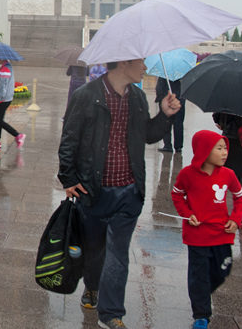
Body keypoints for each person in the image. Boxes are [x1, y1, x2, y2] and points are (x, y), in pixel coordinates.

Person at [59, 58, 180, 329]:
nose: (146, 68)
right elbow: (69, 139)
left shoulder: (137, 96)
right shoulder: (86, 95)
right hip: (94, 189)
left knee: (118, 254)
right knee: (94, 250)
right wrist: (68, 178)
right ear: (124, 62)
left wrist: (165, 115)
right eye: (141, 62)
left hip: (128, 190)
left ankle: (112, 313)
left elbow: (147, 135)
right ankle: (91, 286)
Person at [171, 130, 242, 329]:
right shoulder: (187, 174)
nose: (225, 153)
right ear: (204, 151)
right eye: (219, 149)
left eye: (225, 148)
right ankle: (201, 314)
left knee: (223, 270)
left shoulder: (228, 174)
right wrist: (188, 214)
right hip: (197, 236)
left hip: (222, 234)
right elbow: (177, 194)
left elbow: (240, 196)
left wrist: (235, 219)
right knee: (198, 275)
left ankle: (202, 292)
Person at [0, 60, 25, 150]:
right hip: (6, 98)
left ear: (1, 58)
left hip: (3, 99)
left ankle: (17, 135)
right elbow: (1, 81)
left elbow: (2, 86)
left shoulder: (5, 69)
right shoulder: (6, 67)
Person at [156, 78, 187, 153]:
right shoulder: (182, 75)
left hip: (168, 102)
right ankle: (178, 147)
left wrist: (160, 99)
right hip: (179, 101)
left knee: (166, 124)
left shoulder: (163, 74)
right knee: (178, 125)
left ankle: (168, 145)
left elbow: (159, 89)